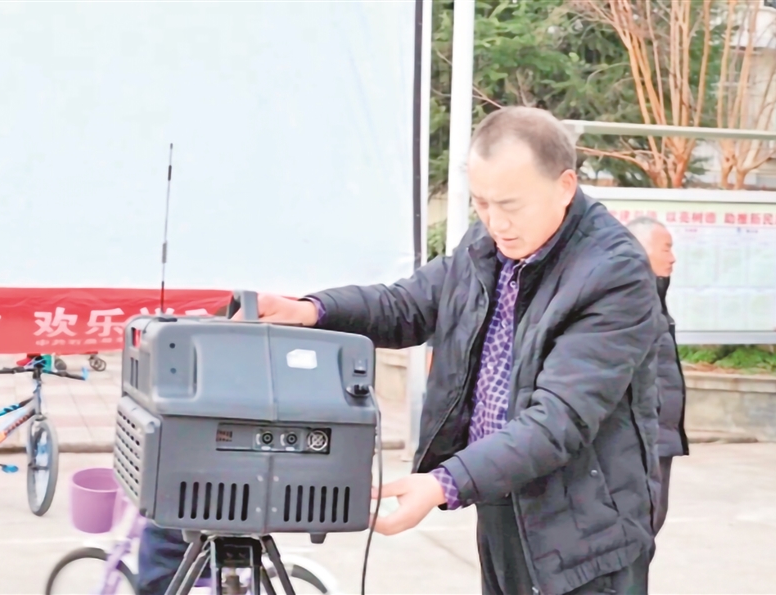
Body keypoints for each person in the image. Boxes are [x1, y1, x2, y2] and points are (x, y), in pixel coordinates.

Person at [241, 106, 665, 595]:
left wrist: (444, 482)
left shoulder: (613, 272)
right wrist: (312, 310)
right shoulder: (487, 245)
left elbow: (558, 419)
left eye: (512, 205)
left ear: (565, 186)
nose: (497, 222)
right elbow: (407, 304)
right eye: (482, 203)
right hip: (502, 495)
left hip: (585, 529)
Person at [625, 217, 689, 536]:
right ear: (641, 249)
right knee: (640, 526)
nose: (673, 257)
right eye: (666, 248)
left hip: (660, 435)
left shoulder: (654, 295)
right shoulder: (629, 299)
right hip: (643, 437)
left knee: (652, 520)